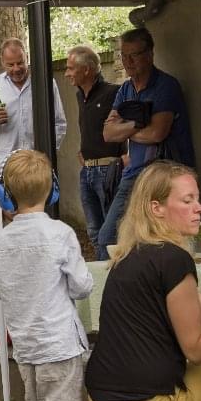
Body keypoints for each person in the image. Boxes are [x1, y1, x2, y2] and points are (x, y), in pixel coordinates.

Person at [85, 161, 201, 401]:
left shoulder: (129, 256)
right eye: (188, 200)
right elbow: (195, 348)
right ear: (156, 208)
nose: (200, 208)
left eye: (197, 199)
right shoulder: (174, 260)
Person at [0, 150, 94, 401]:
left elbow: (0, 289)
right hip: (59, 342)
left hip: (25, 344)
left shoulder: (1, 240)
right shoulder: (60, 233)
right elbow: (81, 286)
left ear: (4, 195)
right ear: (53, 189)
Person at [96, 25, 195, 249]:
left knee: (165, 239)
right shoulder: (125, 90)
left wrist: (126, 128)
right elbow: (108, 133)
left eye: (134, 55)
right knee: (107, 237)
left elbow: (157, 133)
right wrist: (138, 124)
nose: (128, 62)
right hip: (134, 174)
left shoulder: (166, 86)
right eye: (124, 56)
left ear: (150, 55)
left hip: (165, 176)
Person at [65, 43, 126, 260]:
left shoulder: (113, 93)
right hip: (87, 171)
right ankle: (102, 270)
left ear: (87, 70)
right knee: (93, 230)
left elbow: (128, 126)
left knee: (110, 232)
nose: (67, 73)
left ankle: (113, 271)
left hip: (109, 170)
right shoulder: (79, 96)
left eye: (71, 68)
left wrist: (126, 155)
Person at [0, 37, 67, 169]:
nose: (16, 69)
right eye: (10, 65)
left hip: (37, 164)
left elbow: (59, 123)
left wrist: (46, 154)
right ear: (2, 62)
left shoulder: (45, 84)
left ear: (27, 57)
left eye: (20, 63)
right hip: (5, 164)